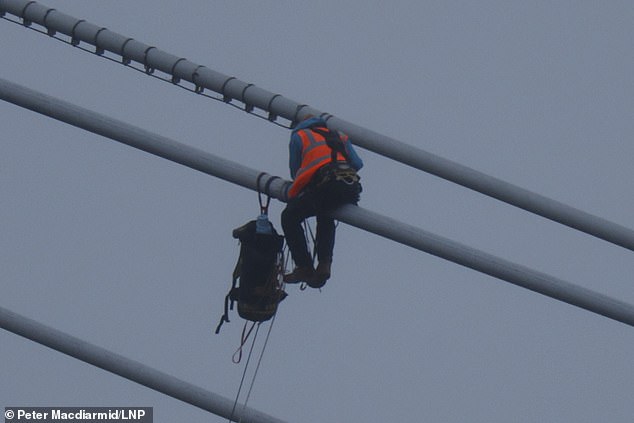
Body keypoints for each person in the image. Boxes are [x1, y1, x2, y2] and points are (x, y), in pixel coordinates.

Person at [281, 115, 363, 288]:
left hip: (326, 185)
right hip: (350, 187)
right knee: (325, 212)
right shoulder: (339, 135)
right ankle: (325, 263)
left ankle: (304, 266)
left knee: (289, 217)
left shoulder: (300, 136)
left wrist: (296, 191)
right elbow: (357, 163)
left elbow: (296, 172)